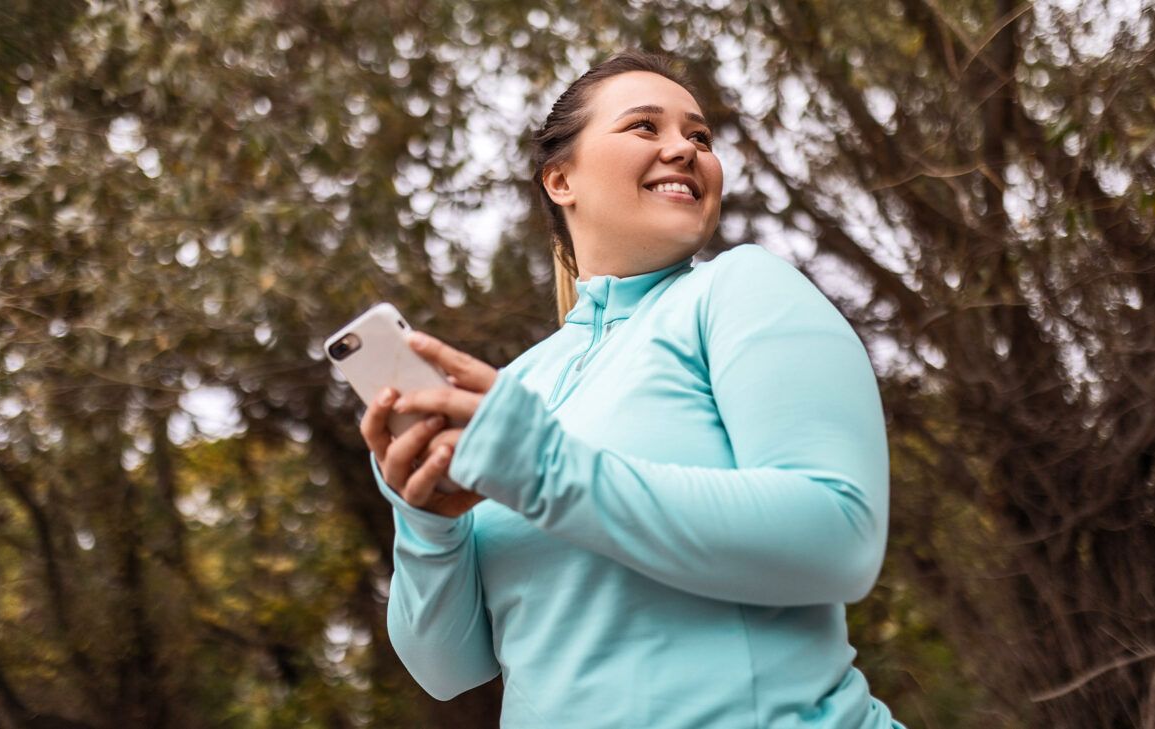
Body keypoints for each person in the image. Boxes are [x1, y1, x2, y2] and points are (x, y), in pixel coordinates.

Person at [360, 49, 905, 728]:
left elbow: (838, 536)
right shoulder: (521, 384)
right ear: (560, 179)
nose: (684, 148)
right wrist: (428, 523)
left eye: (699, 136)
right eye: (645, 127)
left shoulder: (739, 288)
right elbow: (449, 669)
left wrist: (541, 466)